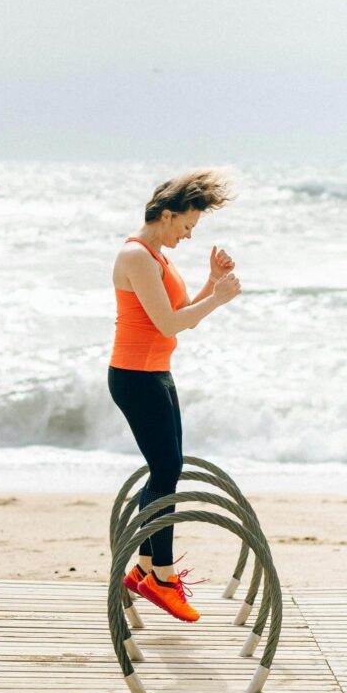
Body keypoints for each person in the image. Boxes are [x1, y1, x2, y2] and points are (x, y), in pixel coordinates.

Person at [107, 169, 242, 622]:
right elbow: (168, 324)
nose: (187, 236)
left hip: (156, 373)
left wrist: (210, 284)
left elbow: (180, 315)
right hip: (135, 376)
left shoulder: (158, 258)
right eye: (186, 226)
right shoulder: (137, 256)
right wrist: (219, 298)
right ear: (166, 215)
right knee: (166, 471)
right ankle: (161, 578)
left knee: (168, 469)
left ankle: (145, 569)